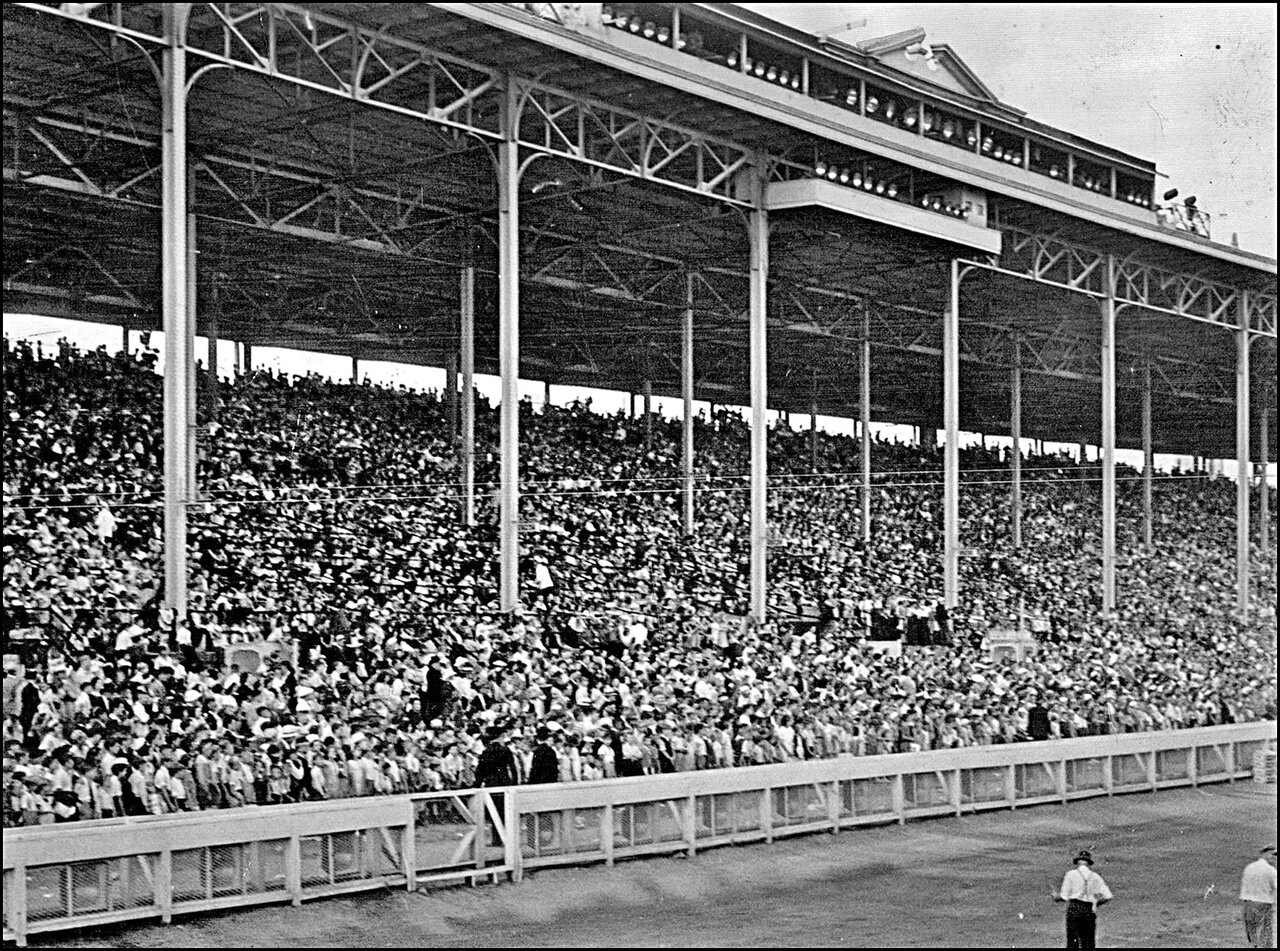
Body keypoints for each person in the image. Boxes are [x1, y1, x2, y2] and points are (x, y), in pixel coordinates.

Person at [1056, 849, 1112, 949]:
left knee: (1072, 941)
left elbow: (1064, 896)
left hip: (1074, 908)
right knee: (1088, 942)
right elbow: (1108, 896)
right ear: (1089, 864)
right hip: (1088, 909)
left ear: (1077, 862)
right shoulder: (1095, 876)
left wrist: (1056, 897)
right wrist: (1096, 903)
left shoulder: (1071, 874)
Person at [1240, 844, 1277, 948]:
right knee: (1265, 937)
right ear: (1264, 854)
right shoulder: (1271, 871)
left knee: (1253, 937)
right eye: (1272, 854)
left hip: (1248, 905)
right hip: (1264, 906)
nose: (1274, 857)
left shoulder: (1249, 868)